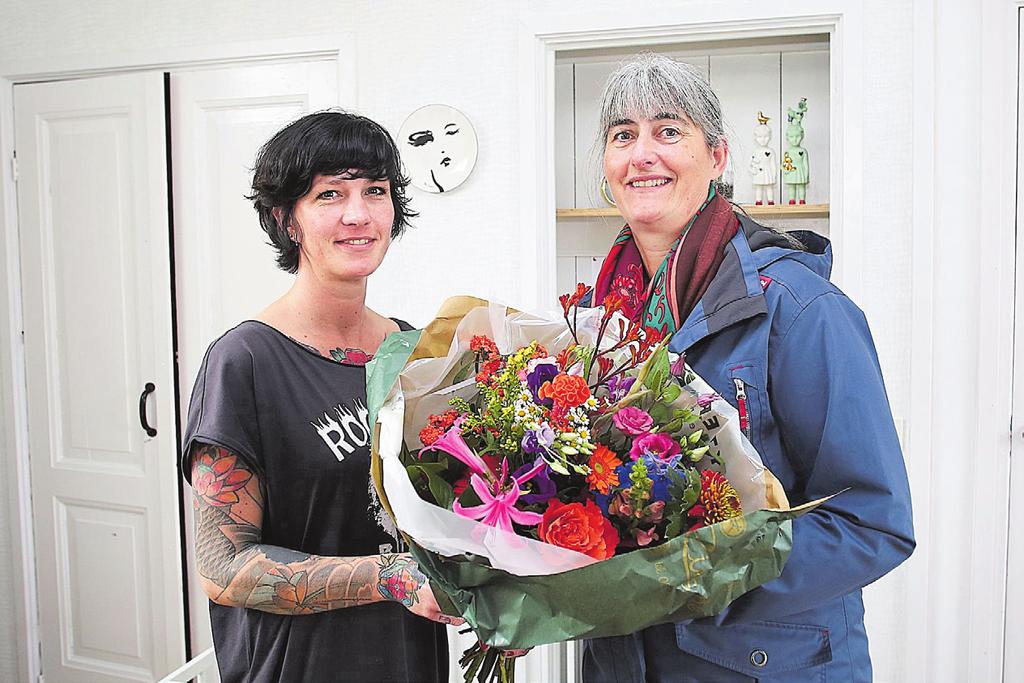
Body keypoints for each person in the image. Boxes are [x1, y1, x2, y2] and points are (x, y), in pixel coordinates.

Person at [583, 53, 914, 682]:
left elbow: (872, 521)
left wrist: (692, 577)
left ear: (718, 156)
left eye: (669, 130)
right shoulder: (598, 317)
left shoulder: (800, 308)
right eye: (623, 135)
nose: (642, 153)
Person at [180, 111, 460, 683]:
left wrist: (502, 597)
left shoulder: (414, 353)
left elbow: (445, 519)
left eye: (374, 191)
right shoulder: (245, 361)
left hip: (412, 662)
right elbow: (222, 568)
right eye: (329, 194)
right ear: (288, 220)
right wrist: (392, 577)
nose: (357, 214)